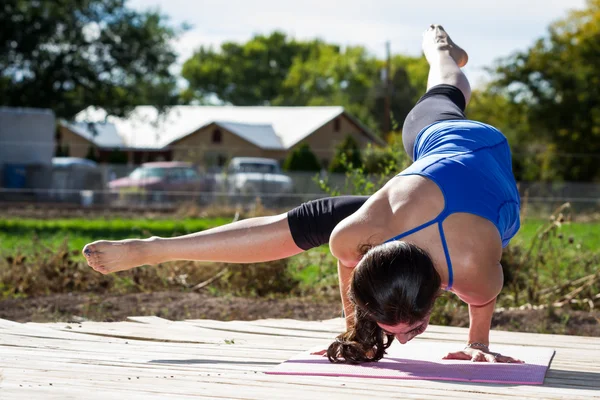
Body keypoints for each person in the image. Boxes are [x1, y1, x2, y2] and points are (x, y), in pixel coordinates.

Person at [83, 25, 522, 365]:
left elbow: (482, 305)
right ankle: (158, 248)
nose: (404, 338)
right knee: (294, 224)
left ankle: (444, 53)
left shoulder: (473, 270)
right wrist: (356, 334)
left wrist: (478, 343)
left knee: (446, 91)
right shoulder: (360, 233)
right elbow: (351, 261)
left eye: (412, 328)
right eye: (405, 328)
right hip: (432, 169)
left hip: (454, 170)